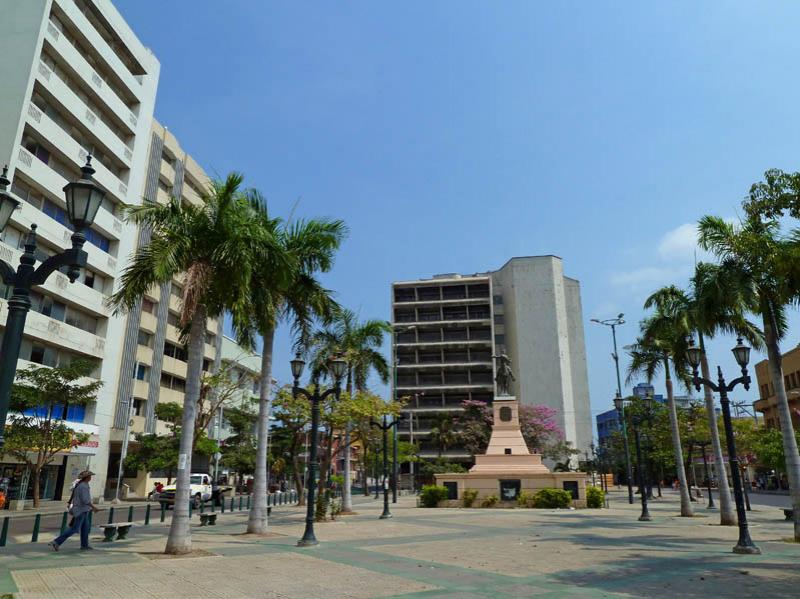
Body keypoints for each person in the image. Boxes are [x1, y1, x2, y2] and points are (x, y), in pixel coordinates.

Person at [49, 470, 99, 551]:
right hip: (81, 510)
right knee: (74, 529)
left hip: (83, 510)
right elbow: (85, 500)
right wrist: (94, 507)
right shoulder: (83, 486)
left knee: (85, 528)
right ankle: (57, 542)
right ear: (86, 478)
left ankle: (84, 545)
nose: (91, 478)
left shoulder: (82, 485)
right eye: (90, 476)